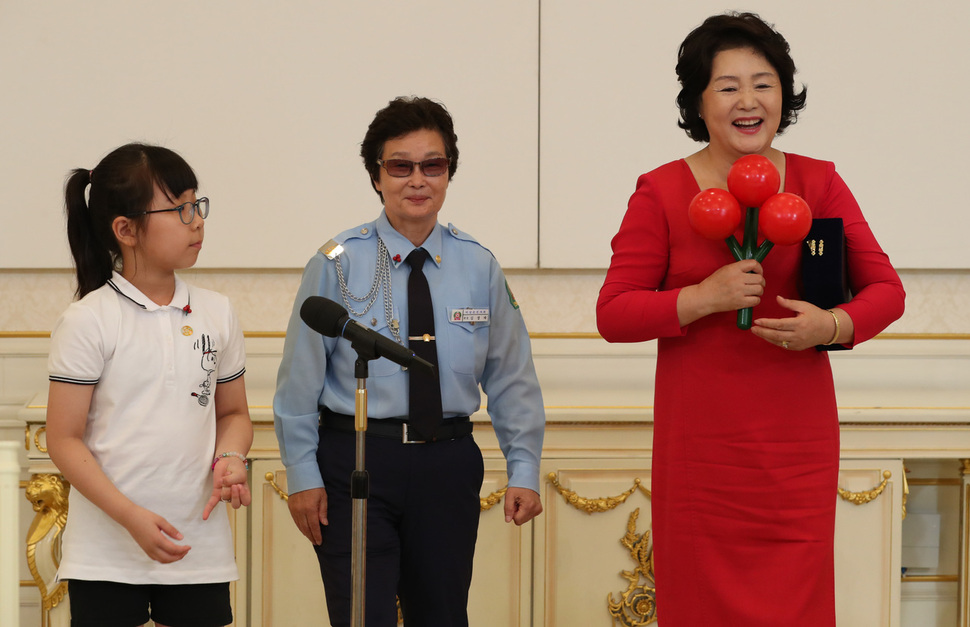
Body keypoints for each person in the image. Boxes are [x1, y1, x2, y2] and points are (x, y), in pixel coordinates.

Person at [596, 12, 905, 626]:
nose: (748, 101)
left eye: (763, 83)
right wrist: (702, 296)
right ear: (699, 101)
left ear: (783, 96)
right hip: (702, 452)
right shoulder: (661, 191)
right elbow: (615, 312)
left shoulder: (820, 183)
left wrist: (832, 327)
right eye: (728, 85)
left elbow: (886, 292)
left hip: (796, 448)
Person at [274, 96, 545, 626]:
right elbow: (298, 381)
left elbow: (512, 378)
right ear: (377, 176)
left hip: (447, 464)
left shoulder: (478, 264)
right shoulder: (338, 262)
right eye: (400, 166)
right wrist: (302, 473)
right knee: (362, 617)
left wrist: (525, 468)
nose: (417, 180)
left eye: (432, 165)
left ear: (448, 173)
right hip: (356, 460)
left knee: (442, 615)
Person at [46, 143, 253, 627]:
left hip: (196, 545)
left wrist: (231, 457)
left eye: (197, 204)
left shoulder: (217, 312)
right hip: (106, 551)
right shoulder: (88, 320)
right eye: (179, 209)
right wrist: (131, 517)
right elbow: (63, 438)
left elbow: (233, 414)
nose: (196, 220)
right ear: (125, 230)